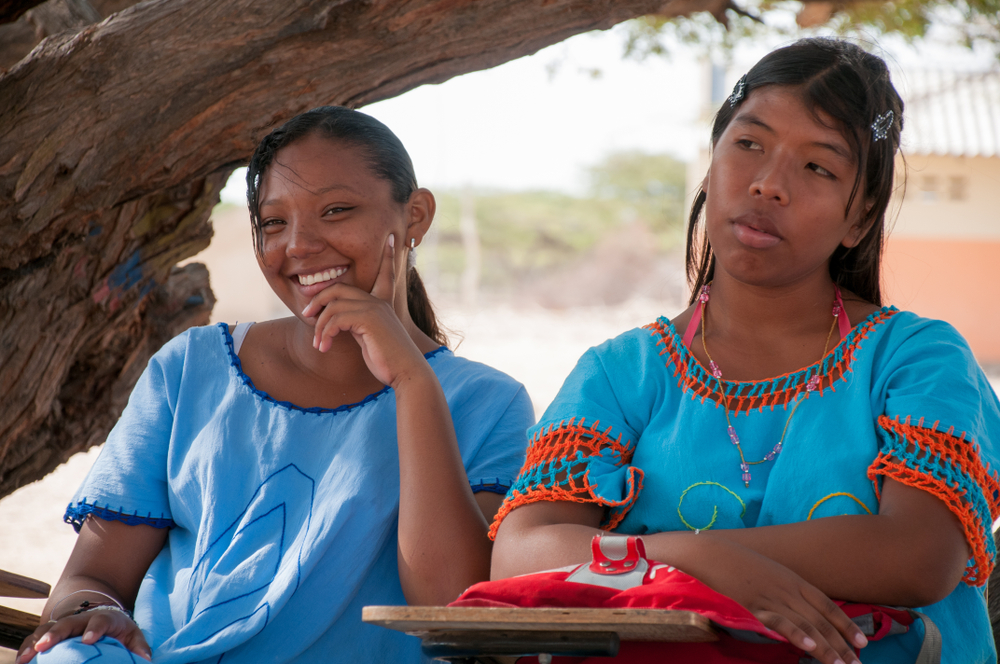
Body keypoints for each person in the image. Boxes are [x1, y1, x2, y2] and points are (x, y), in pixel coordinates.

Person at [489, 38, 1000, 664]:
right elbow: (519, 552)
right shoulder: (623, 373)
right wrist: (703, 558)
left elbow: (918, 556)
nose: (768, 185)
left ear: (860, 217)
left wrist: (667, 559)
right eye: (749, 144)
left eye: (818, 167)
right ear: (711, 163)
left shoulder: (914, 358)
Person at [17, 106, 534, 664]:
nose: (300, 245)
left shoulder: (488, 403)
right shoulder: (190, 370)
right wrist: (94, 615)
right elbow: (91, 579)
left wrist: (412, 380)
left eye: (336, 210)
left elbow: (453, 609)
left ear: (416, 216)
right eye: (274, 223)